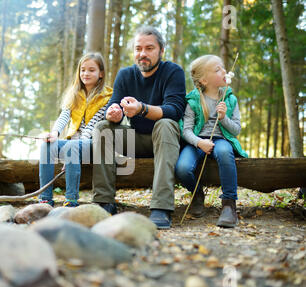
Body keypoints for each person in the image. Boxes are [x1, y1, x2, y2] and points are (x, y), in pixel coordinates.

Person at [91, 26, 186, 229]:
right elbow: (113, 106)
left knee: (166, 124)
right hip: (136, 140)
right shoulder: (125, 75)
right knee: (102, 127)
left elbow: (174, 109)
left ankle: (161, 207)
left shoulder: (173, 72)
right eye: (138, 48)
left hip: (164, 141)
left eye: (149, 48)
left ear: (161, 51)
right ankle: (104, 203)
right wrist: (113, 113)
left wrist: (142, 109)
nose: (142, 54)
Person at [175, 54, 248, 228]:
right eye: (218, 69)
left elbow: (236, 129)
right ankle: (197, 194)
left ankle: (229, 204)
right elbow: (185, 130)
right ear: (204, 80)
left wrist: (223, 118)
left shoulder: (229, 98)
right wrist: (199, 143)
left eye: (223, 67)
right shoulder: (193, 100)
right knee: (183, 168)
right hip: (197, 141)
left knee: (224, 152)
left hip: (221, 139)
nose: (224, 71)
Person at [39, 52, 113, 207]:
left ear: (101, 74)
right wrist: (54, 134)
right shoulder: (74, 94)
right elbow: (64, 117)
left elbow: (93, 125)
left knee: (72, 147)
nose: (85, 73)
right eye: (83, 69)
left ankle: (71, 199)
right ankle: (45, 198)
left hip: (94, 144)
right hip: (74, 143)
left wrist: (72, 150)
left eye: (91, 70)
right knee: (47, 145)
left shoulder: (107, 97)